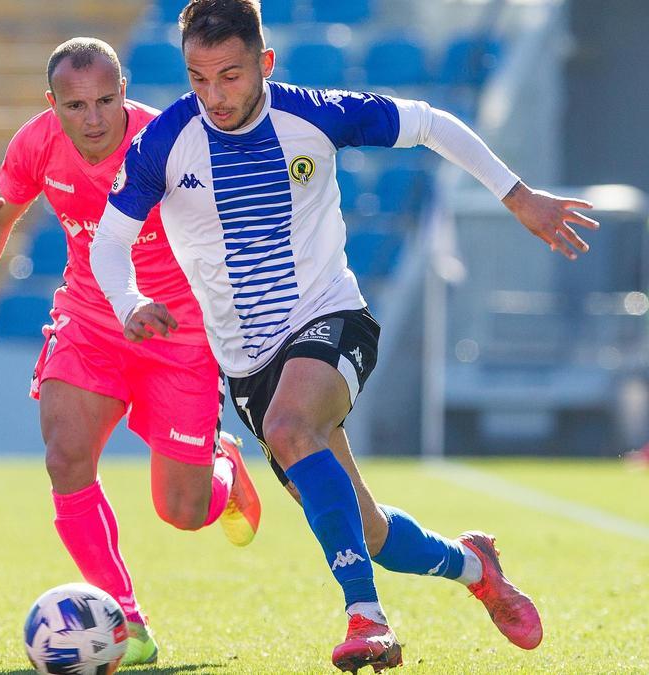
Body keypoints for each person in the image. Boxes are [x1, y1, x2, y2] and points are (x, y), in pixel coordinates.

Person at [91, 0, 600, 671]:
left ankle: (366, 617)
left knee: (291, 427)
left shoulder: (313, 113)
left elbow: (431, 124)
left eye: (232, 76)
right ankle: (474, 566)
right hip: (246, 369)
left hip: (332, 321)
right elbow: (109, 243)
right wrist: (128, 301)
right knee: (370, 531)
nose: (214, 94)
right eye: (199, 77)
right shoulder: (164, 143)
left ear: (265, 64)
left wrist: (517, 195)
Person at [0, 37, 262, 665]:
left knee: (181, 512)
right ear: (53, 105)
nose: (94, 119)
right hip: (89, 320)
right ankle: (127, 623)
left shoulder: (170, 144)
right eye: (76, 106)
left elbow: (232, 232)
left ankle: (224, 468)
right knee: (65, 457)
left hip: (175, 334)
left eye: (106, 100)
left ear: (125, 91)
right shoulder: (34, 143)